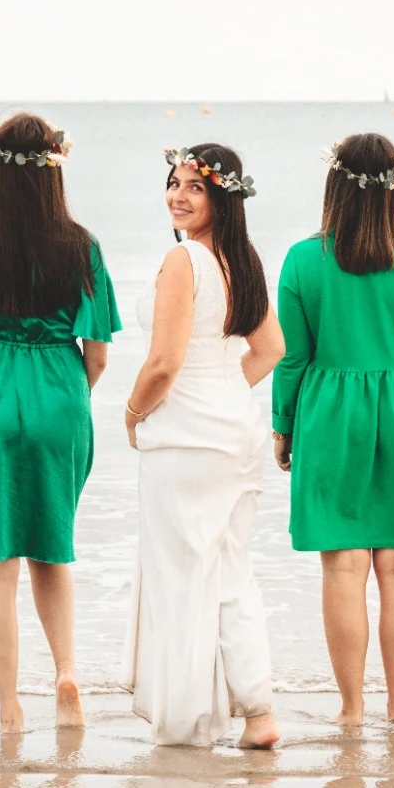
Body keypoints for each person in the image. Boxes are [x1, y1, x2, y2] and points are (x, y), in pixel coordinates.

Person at [0, 113, 120, 734]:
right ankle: (66, 671)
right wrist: (65, 403)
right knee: (51, 550)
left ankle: (9, 707)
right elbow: (99, 352)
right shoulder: (81, 245)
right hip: (59, 394)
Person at [271, 133, 394, 726]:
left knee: (343, 567)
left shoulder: (303, 260)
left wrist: (283, 424)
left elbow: (291, 357)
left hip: (329, 413)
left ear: (334, 185)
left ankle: (351, 711)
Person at [122, 145, 286, 749]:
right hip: (234, 432)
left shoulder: (183, 259)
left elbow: (163, 362)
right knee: (230, 572)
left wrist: (134, 413)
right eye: (174, 182)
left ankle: (189, 725)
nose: (179, 195)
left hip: (187, 440)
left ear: (223, 197)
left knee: (183, 577)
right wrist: (220, 392)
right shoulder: (241, 259)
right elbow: (270, 349)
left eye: (195, 186)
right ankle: (259, 714)